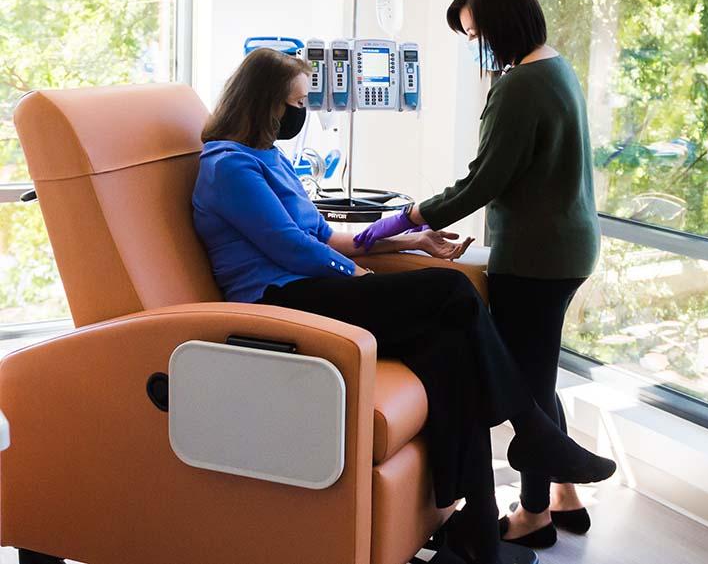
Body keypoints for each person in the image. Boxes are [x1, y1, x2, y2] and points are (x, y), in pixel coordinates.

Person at [192, 47, 614, 564]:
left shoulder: (268, 158)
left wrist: (406, 241)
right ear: (263, 104)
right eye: (295, 103)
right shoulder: (227, 166)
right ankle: (531, 432)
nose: (300, 115)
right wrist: (358, 275)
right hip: (279, 299)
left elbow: (325, 235)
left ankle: (477, 531)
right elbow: (287, 246)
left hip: (312, 286)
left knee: (452, 348)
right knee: (450, 291)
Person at [353, 0, 602, 549]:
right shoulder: (557, 67)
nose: (475, 48)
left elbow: (481, 182)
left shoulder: (519, 86)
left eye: (475, 35)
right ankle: (565, 493)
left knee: (525, 382)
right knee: (537, 370)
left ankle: (534, 512)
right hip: (569, 246)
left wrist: (408, 218)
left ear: (501, 26)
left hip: (537, 258)